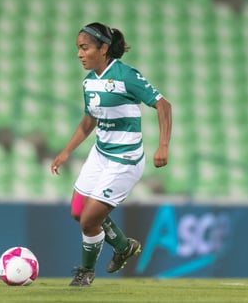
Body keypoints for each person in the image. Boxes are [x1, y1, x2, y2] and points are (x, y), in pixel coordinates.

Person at [51, 22, 172, 286]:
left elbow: (163, 105)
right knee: (77, 211)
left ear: (103, 48)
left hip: (124, 161)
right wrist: (66, 152)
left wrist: (163, 145)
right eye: (78, 49)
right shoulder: (89, 83)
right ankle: (123, 245)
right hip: (100, 155)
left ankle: (86, 272)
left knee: (88, 221)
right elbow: (89, 120)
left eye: (84, 48)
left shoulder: (126, 76)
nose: (79, 54)